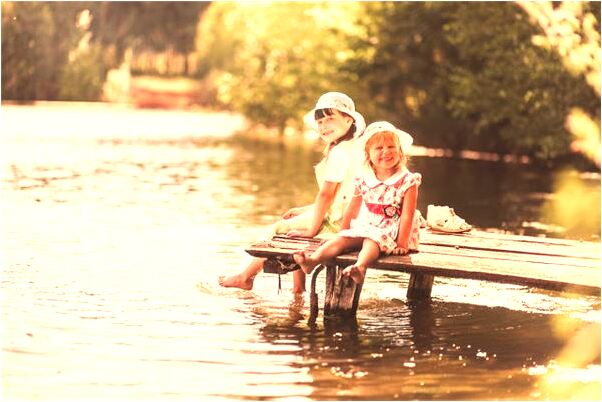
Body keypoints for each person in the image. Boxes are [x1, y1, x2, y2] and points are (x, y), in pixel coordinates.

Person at [218, 92, 366, 293]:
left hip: (339, 223)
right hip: (349, 216)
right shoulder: (353, 148)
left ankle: (245, 277)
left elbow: (327, 195)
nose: (324, 126)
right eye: (320, 121)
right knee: (295, 220)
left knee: (281, 229)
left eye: (331, 119)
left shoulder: (339, 153)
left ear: (349, 119)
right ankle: (298, 289)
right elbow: (343, 195)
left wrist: (312, 229)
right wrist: (307, 210)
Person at [293, 121, 422, 285]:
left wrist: (401, 243)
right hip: (369, 223)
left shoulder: (407, 180)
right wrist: (343, 231)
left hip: (394, 229)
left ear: (400, 151)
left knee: (371, 241)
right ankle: (312, 261)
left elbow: (407, 214)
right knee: (341, 240)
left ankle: (360, 267)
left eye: (391, 147)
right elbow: (352, 209)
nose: (386, 152)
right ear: (368, 153)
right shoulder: (363, 178)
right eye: (379, 148)